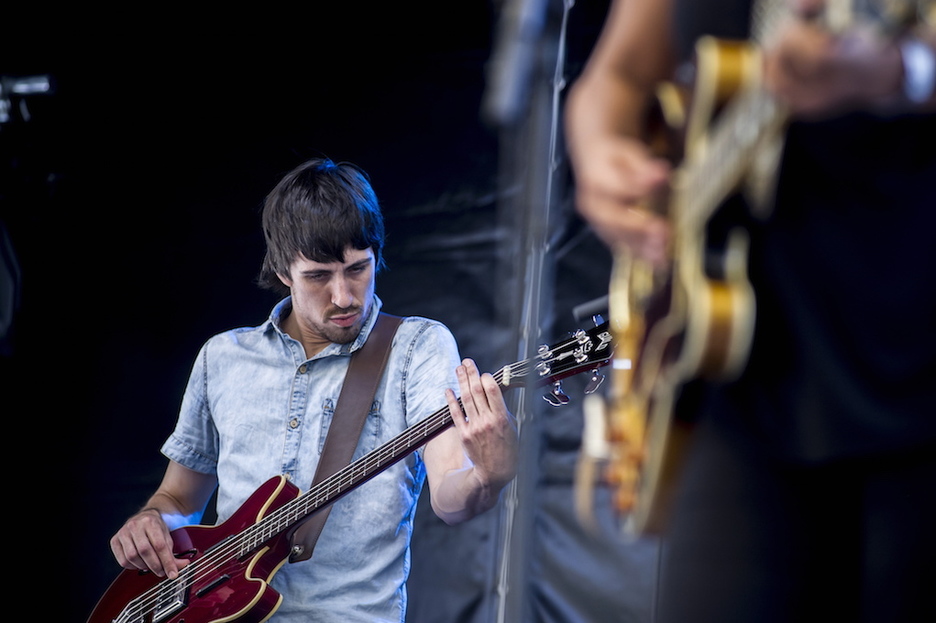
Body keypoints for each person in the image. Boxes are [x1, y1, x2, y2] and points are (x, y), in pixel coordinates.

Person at [564, 0, 936, 621]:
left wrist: (903, 69)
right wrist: (600, 147)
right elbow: (618, 75)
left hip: (913, 344)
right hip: (741, 370)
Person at [107, 157, 519, 622]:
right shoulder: (222, 357)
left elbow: (450, 496)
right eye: (319, 275)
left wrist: (488, 476)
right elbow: (179, 500)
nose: (344, 296)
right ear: (283, 270)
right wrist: (151, 521)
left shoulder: (418, 348)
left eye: (358, 269)